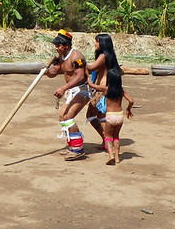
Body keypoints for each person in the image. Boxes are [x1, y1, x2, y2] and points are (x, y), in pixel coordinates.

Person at [45, 29, 90, 161]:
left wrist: (63, 87)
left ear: (66, 46)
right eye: (56, 46)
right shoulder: (61, 57)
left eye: (59, 46)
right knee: (63, 117)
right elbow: (55, 71)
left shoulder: (77, 57)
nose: (57, 48)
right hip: (71, 91)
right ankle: (72, 145)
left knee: (68, 116)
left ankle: (78, 148)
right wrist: (46, 71)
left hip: (82, 90)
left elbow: (80, 75)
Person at [87, 66, 134, 165]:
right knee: (116, 136)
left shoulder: (106, 89)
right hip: (119, 115)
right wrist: (128, 109)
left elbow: (91, 84)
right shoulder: (121, 90)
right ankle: (117, 157)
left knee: (108, 136)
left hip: (110, 116)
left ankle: (110, 155)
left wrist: (86, 75)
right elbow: (131, 100)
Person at [85, 33, 119, 148]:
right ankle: (107, 140)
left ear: (103, 43)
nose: (95, 43)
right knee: (99, 116)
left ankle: (107, 139)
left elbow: (91, 68)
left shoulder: (103, 56)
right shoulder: (109, 56)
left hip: (101, 90)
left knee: (92, 115)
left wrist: (79, 62)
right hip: (103, 89)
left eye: (97, 41)